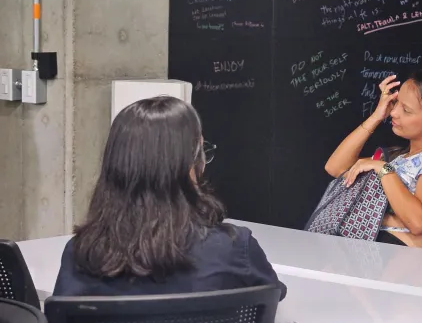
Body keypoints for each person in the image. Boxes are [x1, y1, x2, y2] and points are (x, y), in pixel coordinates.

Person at [53, 96, 286, 299]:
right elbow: (273, 300)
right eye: (202, 151)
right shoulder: (233, 249)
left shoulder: (81, 254)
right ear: (191, 166)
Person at [324, 68, 422, 250]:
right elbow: (335, 167)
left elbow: (418, 222)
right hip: (366, 248)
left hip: (397, 254)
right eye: (396, 102)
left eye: (406, 110)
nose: (394, 112)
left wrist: (383, 169)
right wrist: (377, 116)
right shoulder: (398, 158)